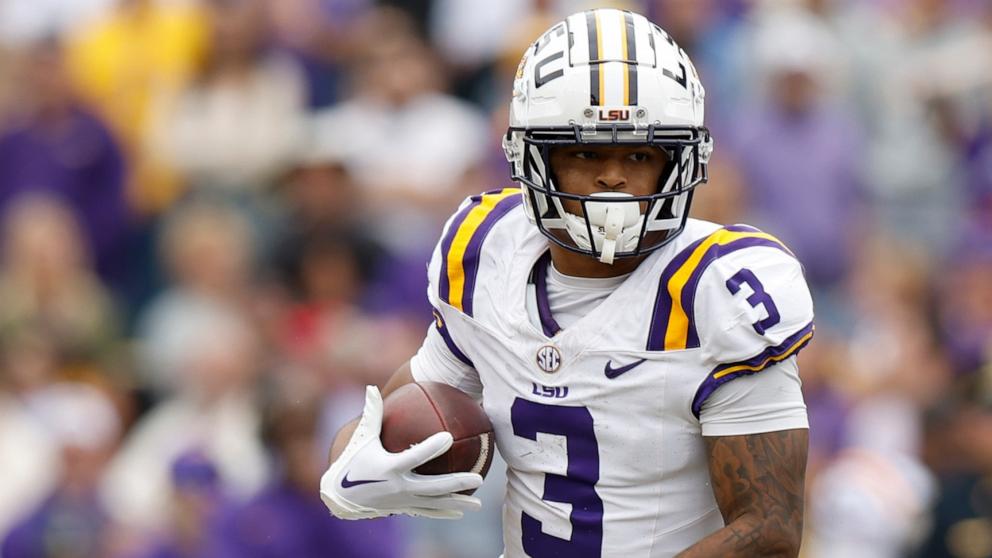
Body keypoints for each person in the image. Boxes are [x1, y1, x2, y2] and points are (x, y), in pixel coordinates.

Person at [320, 8, 814, 557]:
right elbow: (402, 412)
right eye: (584, 152)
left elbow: (770, 530)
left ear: (679, 161)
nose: (613, 176)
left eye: (639, 153)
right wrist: (350, 469)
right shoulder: (489, 251)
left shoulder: (716, 289)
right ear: (532, 157)